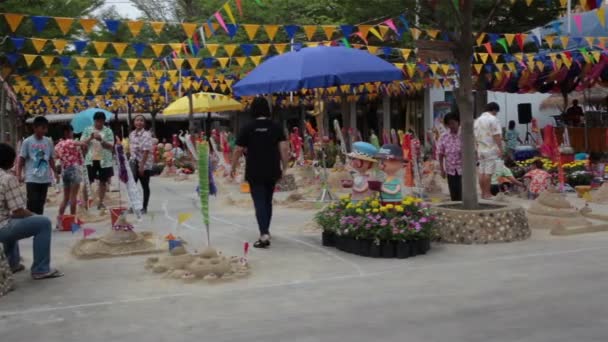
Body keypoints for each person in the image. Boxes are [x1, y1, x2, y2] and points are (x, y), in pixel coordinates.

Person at [231, 97, 289, 249]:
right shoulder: (276, 126)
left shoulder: (248, 127)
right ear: (267, 110)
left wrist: (233, 167)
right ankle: (266, 230)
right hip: (272, 169)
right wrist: (285, 166)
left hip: (254, 170)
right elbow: (284, 148)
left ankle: (263, 234)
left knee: (259, 201)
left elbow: (238, 149)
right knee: (268, 200)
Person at [0, 143, 63, 279]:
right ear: (10, 161)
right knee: (43, 223)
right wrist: (33, 215)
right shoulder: (6, 178)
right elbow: (18, 211)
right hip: (2, 226)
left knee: (11, 220)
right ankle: (41, 269)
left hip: (3, 221)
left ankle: (12, 263)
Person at [16, 116, 55, 215]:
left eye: (46, 128)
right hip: (31, 178)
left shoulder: (48, 141)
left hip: (44, 178)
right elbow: (21, 159)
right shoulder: (27, 142)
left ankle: (38, 224)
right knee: (32, 203)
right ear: (35, 128)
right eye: (42, 128)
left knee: (40, 204)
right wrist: (18, 174)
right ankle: (30, 225)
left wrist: (55, 173)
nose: (45, 130)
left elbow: (51, 158)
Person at [81, 112, 115, 210]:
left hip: (104, 160)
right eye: (97, 121)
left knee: (103, 181)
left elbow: (111, 145)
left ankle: (101, 202)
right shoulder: (88, 130)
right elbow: (82, 143)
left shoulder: (108, 131)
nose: (99, 123)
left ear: (104, 121)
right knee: (87, 181)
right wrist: (90, 138)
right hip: (91, 159)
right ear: (94, 121)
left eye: (101, 121)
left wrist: (101, 140)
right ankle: (85, 203)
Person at [54, 125, 86, 227]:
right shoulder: (70, 142)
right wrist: (90, 137)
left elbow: (57, 157)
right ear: (68, 132)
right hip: (74, 169)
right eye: (71, 131)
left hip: (65, 171)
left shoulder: (58, 145)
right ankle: (73, 221)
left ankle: (59, 221)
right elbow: (82, 143)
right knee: (73, 197)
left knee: (66, 198)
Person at [474, 102, 504, 199]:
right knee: (488, 173)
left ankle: (483, 193)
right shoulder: (493, 119)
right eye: (496, 112)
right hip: (490, 149)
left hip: (480, 149)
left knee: (481, 171)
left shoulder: (477, 120)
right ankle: (487, 194)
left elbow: (474, 136)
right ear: (494, 110)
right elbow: (496, 135)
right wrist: (500, 148)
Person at [129, 115, 153, 214]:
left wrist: (142, 166)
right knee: (132, 186)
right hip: (133, 163)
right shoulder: (132, 134)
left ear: (144, 123)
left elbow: (146, 151)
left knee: (145, 185)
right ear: (134, 122)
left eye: (141, 120)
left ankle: (144, 207)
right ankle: (134, 205)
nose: (139, 122)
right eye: (137, 120)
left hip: (144, 164)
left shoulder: (146, 135)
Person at [437, 112, 462, 201]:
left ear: (458, 122)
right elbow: (440, 153)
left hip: (463, 169)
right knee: (453, 190)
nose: (451, 126)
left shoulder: (465, 135)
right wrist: (442, 169)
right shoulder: (444, 137)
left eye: (453, 123)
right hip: (450, 168)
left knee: (462, 191)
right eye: (449, 124)